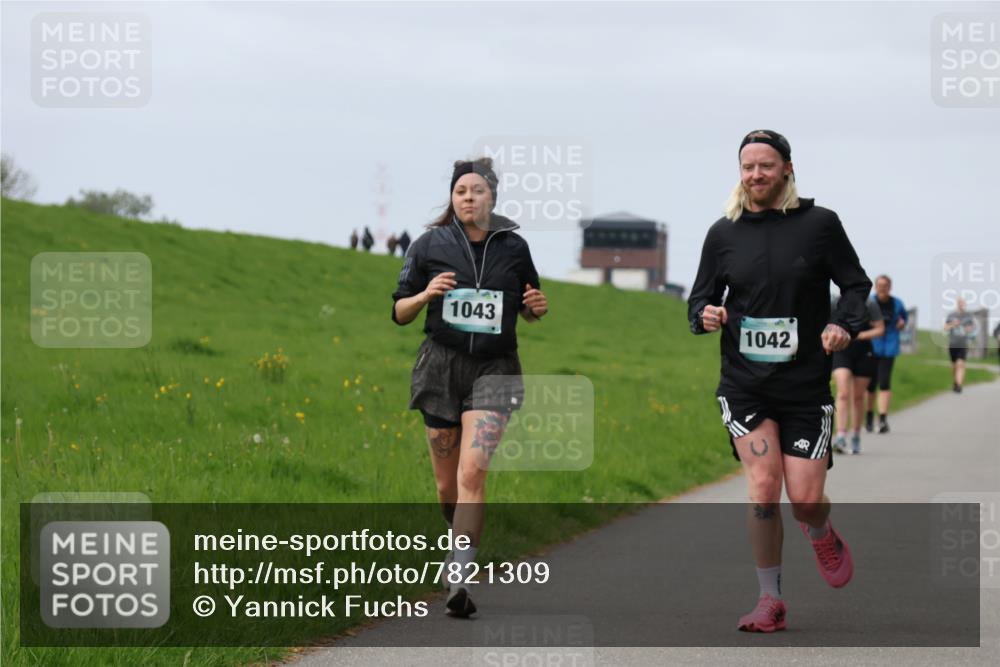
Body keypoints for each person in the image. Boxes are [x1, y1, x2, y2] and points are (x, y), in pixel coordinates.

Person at [688, 129, 871, 633]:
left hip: (806, 386)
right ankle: (770, 600)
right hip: (745, 386)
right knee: (764, 488)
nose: (755, 175)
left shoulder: (820, 225)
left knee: (805, 499)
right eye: (747, 167)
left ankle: (821, 530)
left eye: (765, 165)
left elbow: (855, 285)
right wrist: (705, 315)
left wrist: (843, 324)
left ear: (787, 168)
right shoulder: (722, 233)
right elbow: (698, 298)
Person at [391, 157, 548, 618]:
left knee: (472, 473)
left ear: (492, 197)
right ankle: (455, 538)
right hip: (441, 367)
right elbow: (399, 311)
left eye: (476, 191)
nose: (468, 198)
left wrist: (536, 306)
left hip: (495, 369)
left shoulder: (514, 248)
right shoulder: (428, 245)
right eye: (461, 191)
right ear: (453, 198)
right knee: (447, 488)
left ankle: (459, 577)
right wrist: (424, 295)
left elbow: (529, 305)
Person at [831, 294, 885, 454]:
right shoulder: (835, 302)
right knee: (842, 393)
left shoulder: (870, 303)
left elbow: (880, 328)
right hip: (841, 351)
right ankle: (840, 435)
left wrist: (860, 335)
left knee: (858, 397)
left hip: (863, 351)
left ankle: (855, 434)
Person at [866, 276, 908, 433]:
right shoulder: (869, 302)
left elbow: (904, 318)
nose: (882, 288)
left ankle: (882, 419)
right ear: (875, 287)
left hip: (889, 347)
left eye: (885, 285)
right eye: (879, 285)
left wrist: (902, 323)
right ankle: (869, 416)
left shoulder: (897, 303)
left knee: (884, 383)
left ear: (890, 287)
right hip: (871, 346)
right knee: (870, 385)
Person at [944, 298, 975, 393]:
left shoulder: (968, 316)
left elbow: (971, 329)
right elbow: (945, 327)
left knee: (960, 364)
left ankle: (959, 385)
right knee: (954, 366)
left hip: (963, 343)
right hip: (953, 343)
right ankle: (955, 381)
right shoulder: (951, 315)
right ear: (957, 304)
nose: (962, 305)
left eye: (963, 303)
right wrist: (954, 324)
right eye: (960, 303)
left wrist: (966, 328)